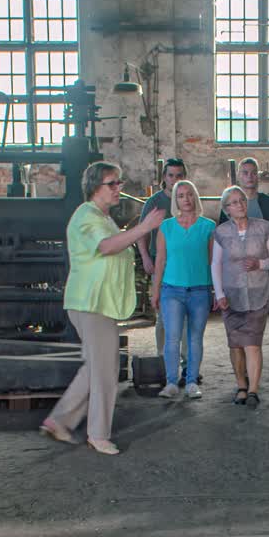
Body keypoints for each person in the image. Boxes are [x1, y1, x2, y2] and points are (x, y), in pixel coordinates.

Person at [40, 162, 166, 455]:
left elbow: (114, 244)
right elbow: (106, 247)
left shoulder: (102, 217)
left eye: (119, 182)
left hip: (98, 302)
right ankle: (98, 434)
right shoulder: (87, 216)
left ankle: (59, 421)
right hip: (91, 303)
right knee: (106, 370)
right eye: (113, 183)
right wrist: (144, 228)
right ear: (95, 187)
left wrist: (138, 230)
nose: (118, 188)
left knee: (96, 367)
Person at [212, 186, 269, 408]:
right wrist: (219, 293)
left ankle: (253, 390)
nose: (239, 205)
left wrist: (260, 264)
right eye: (233, 202)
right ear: (226, 209)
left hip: (257, 293)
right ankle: (241, 385)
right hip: (231, 295)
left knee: (252, 343)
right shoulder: (221, 233)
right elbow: (215, 264)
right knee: (235, 344)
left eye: (241, 200)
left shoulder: (263, 228)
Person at [149, 180, 216, 400]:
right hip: (172, 290)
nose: (185, 199)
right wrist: (155, 290)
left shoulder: (208, 226)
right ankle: (170, 383)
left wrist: (216, 290)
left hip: (200, 290)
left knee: (195, 338)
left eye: (189, 195)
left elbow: (213, 261)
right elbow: (160, 261)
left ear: (195, 197)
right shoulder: (166, 227)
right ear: (175, 200)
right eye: (180, 196)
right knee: (172, 337)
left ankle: (192, 382)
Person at [140, 158, 193, 381]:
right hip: (161, 265)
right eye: (171, 175)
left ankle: (188, 365)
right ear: (164, 177)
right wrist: (145, 258)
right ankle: (164, 362)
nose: (175, 180)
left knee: (187, 317)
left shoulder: (190, 201)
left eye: (179, 175)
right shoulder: (155, 202)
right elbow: (141, 233)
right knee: (164, 316)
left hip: (186, 266)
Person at [218, 157, 269, 284]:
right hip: (236, 268)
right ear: (239, 176)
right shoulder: (228, 204)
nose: (250, 176)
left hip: (263, 267)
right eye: (245, 173)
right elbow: (222, 240)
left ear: (258, 177)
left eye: (253, 173)